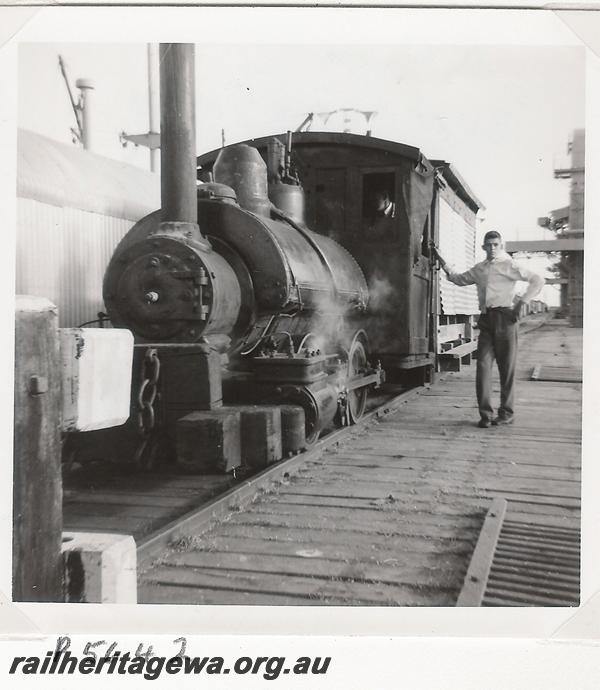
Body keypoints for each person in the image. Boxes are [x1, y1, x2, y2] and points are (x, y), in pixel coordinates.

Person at [433, 230, 544, 428]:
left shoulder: (509, 265)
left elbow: (538, 280)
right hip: (486, 322)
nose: (492, 248)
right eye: (489, 245)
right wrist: (442, 261)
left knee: (506, 369)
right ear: (484, 247)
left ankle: (507, 413)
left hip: (506, 319)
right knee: (483, 368)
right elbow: (458, 279)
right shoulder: (480, 269)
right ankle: (486, 415)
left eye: (496, 245)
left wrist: (522, 303)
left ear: (501, 246)